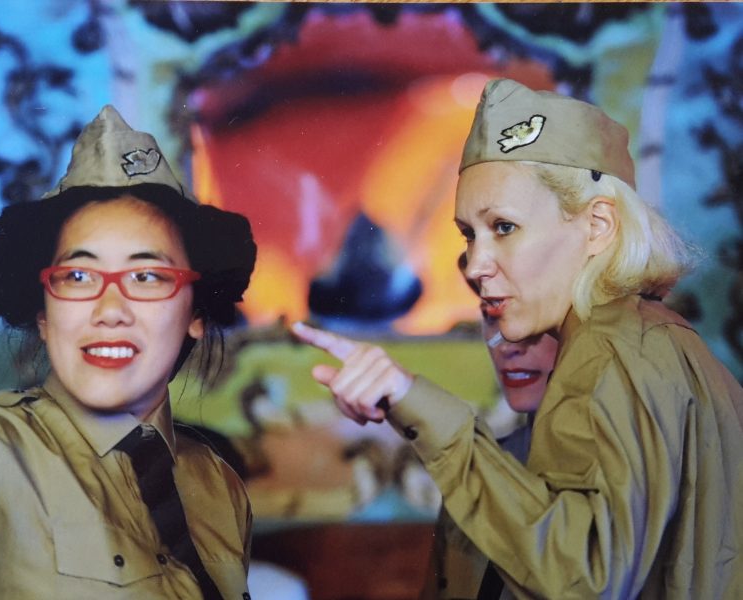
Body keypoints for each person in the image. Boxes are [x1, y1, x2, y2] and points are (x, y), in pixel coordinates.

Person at [294, 78, 743, 598]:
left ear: (597, 226)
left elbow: (583, 579)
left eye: (503, 227)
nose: (475, 265)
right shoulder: (645, 341)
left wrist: (421, 406)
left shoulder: (613, 350)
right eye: (469, 234)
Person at [0, 105, 257, 599]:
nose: (109, 309)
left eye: (147, 276)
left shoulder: (218, 485)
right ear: (44, 316)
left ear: (195, 314)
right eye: (78, 276)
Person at [421, 252, 558, 599]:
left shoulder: (627, 468)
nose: (504, 344)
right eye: (491, 315)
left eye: (534, 319)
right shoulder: (479, 467)